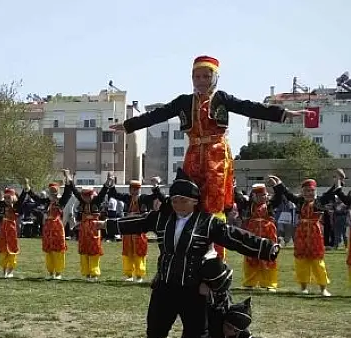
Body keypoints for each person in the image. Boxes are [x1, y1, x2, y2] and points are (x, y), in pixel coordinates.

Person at [100, 169, 279, 338]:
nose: (177, 204)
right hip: (164, 287)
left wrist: (265, 248)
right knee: (154, 334)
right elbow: (138, 222)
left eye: (182, 200)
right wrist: (108, 225)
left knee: (198, 337)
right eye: (174, 200)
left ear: (194, 201)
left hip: (193, 290)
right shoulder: (162, 219)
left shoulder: (207, 222)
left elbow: (235, 237)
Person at [110, 55, 313, 260]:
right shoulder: (184, 101)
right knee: (190, 199)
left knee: (213, 204)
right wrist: (129, 126)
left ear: (214, 78)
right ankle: (188, 248)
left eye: (206, 76)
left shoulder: (222, 98)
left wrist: (283, 113)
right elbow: (157, 115)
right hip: (193, 154)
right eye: (196, 76)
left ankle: (215, 255)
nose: (201, 81)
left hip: (217, 155)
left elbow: (249, 107)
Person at [268, 175, 337, 296]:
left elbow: (331, 192)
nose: (309, 193)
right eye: (306, 191)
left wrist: (338, 180)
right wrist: (278, 183)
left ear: (315, 191)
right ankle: (303, 287)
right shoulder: (299, 201)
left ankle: (323, 288)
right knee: (301, 261)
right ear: (302, 192)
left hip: (315, 233)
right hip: (301, 233)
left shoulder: (320, 201)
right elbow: (287, 194)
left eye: (311, 191)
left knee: (318, 262)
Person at [98, 175, 161, 282]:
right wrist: (111, 182)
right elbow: (114, 194)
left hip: (139, 230)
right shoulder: (127, 198)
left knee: (139, 252)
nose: (134, 191)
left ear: (139, 189)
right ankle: (129, 275)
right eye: (132, 189)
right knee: (127, 252)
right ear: (130, 189)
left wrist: (155, 184)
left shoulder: (144, 198)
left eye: (136, 189)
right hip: (127, 229)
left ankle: (139, 275)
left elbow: (156, 195)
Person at [27, 170, 73, 279]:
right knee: (49, 250)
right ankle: (51, 272)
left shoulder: (61, 202)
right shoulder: (47, 201)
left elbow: (68, 191)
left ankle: (58, 273)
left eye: (54, 190)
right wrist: (28, 189)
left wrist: (67, 176)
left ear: (57, 191)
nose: (52, 192)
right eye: (51, 190)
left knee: (58, 250)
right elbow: (36, 198)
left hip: (57, 228)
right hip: (48, 228)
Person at [234, 184, 279, 291]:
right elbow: (238, 197)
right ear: (254, 196)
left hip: (268, 234)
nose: (263, 197)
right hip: (252, 234)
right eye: (260, 195)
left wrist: (277, 185)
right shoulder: (248, 205)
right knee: (251, 257)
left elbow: (279, 196)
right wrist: (234, 185)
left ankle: (269, 284)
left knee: (268, 257)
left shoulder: (270, 205)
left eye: (265, 195)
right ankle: (250, 283)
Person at [0, 185, 27, 278]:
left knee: (11, 251)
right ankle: (3, 271)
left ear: (13, 198)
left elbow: (22, 198)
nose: (6, 199)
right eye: (5, 198)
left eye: (8, 197)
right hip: (3, 230)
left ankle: (10, 271)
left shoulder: (16, 206)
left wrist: (25, 189)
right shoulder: (3, 205)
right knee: (3, 251)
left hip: (12, 230)